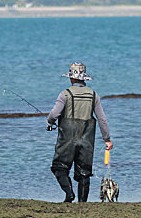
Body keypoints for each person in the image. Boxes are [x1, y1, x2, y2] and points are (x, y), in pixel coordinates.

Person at [47, 62, 113, 203]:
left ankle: (69, 194)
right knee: (84, 172)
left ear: (71, 78)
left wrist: (50, 123)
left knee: (59, 167)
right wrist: (107, 139)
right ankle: (82, 203)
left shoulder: (65, 94)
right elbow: (102, 119)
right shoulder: (94, 95)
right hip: (87, 139)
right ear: (84, 78)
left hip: (67, 139)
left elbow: (53, 115)